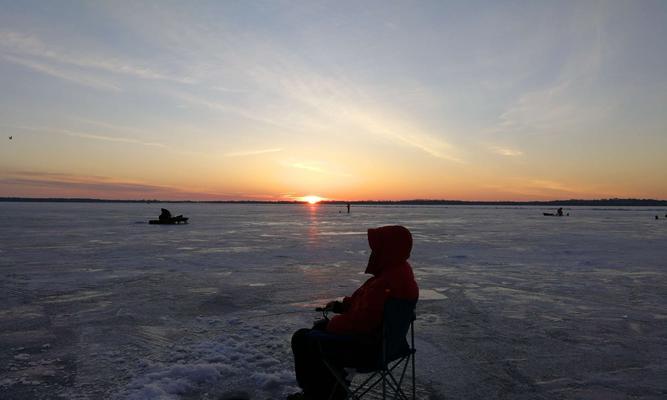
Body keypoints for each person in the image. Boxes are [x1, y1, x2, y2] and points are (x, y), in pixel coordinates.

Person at [289, 225, 419, 400]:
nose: (372, 253)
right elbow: (370, 306)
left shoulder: (385, 283)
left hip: (368, 351)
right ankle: (332, 391)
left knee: (304, 338)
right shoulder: (399, 273)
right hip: (391, 346)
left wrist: (332, 324)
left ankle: (316, 395)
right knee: (320, 331)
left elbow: (363, 322)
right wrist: (342, 306)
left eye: (376, 248)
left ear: (387, 250)